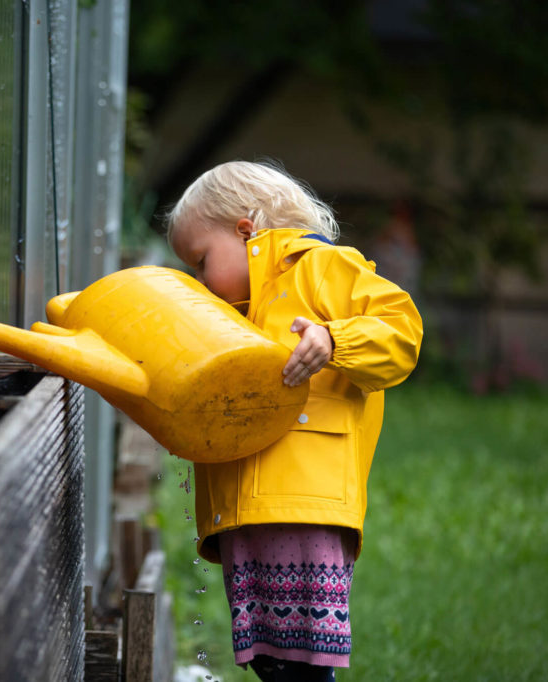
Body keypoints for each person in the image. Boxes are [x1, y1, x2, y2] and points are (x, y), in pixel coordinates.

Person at [165, 160, 423, 681]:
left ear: (246, 231)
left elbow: (402, 332)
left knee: (305, 659)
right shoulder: (224, 314)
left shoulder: (321, 268)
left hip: (307, 506)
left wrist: (334, 340)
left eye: (200, 261)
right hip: (243, 510)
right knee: (267, 659)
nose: (199, 280)